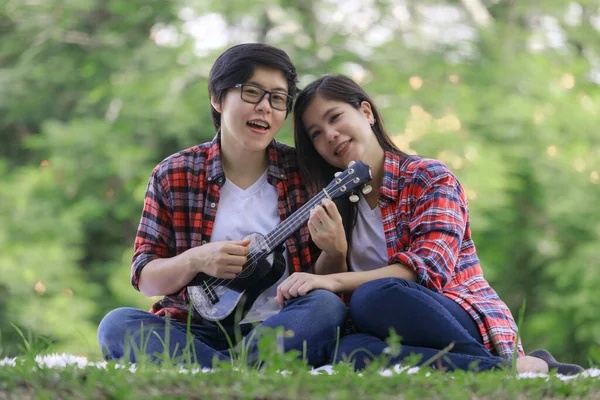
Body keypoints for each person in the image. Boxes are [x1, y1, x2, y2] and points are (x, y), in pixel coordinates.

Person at [275, 73, 583, 375]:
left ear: (366, 112)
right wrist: (334, 253)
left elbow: (425, 270)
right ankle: (509, 372)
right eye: (315, 133)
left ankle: (495, 363)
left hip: (454, 315)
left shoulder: (428, 177)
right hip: (396, 336)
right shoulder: (336, 202)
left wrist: (331, 280)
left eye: (335, 117)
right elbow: (335, 300)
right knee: (348, 351)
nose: (329, 134)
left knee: (374, 296)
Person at [97, 44, 347, 367]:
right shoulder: (174, 174)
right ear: (217, 98)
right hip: (193, 329)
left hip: (280, 326)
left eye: (277, 98)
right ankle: (237, 370)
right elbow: (146, 278)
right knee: (115, 326)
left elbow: (324, 281)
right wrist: (196, 260)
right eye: (252, 92)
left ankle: (211, 371)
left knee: (328, 307)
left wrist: (336, 252)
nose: (265, 108)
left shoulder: (305, 174)